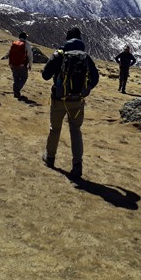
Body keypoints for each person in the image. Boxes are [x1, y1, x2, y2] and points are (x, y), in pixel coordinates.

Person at [41, 27, 99, 179]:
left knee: (55, 129)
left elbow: (45, 75)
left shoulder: (59, 54)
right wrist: (83, 91)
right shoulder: (85, 57)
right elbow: (95, 78)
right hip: (77, 101)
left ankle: (50, 159)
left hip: (59, 99)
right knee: (75, 131)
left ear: (67, 39)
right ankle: (77, 166)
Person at [8, 32, 33, 99]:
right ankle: (16, 90)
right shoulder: (26, 45)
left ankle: (16, 91)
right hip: (22, 65)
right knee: (24, 77)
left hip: (13, 64)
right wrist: (30, 65)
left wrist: (10, 63)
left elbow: (10, 53)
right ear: (25, 38)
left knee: (16, 78)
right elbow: (30, 56)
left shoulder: (14, 43)